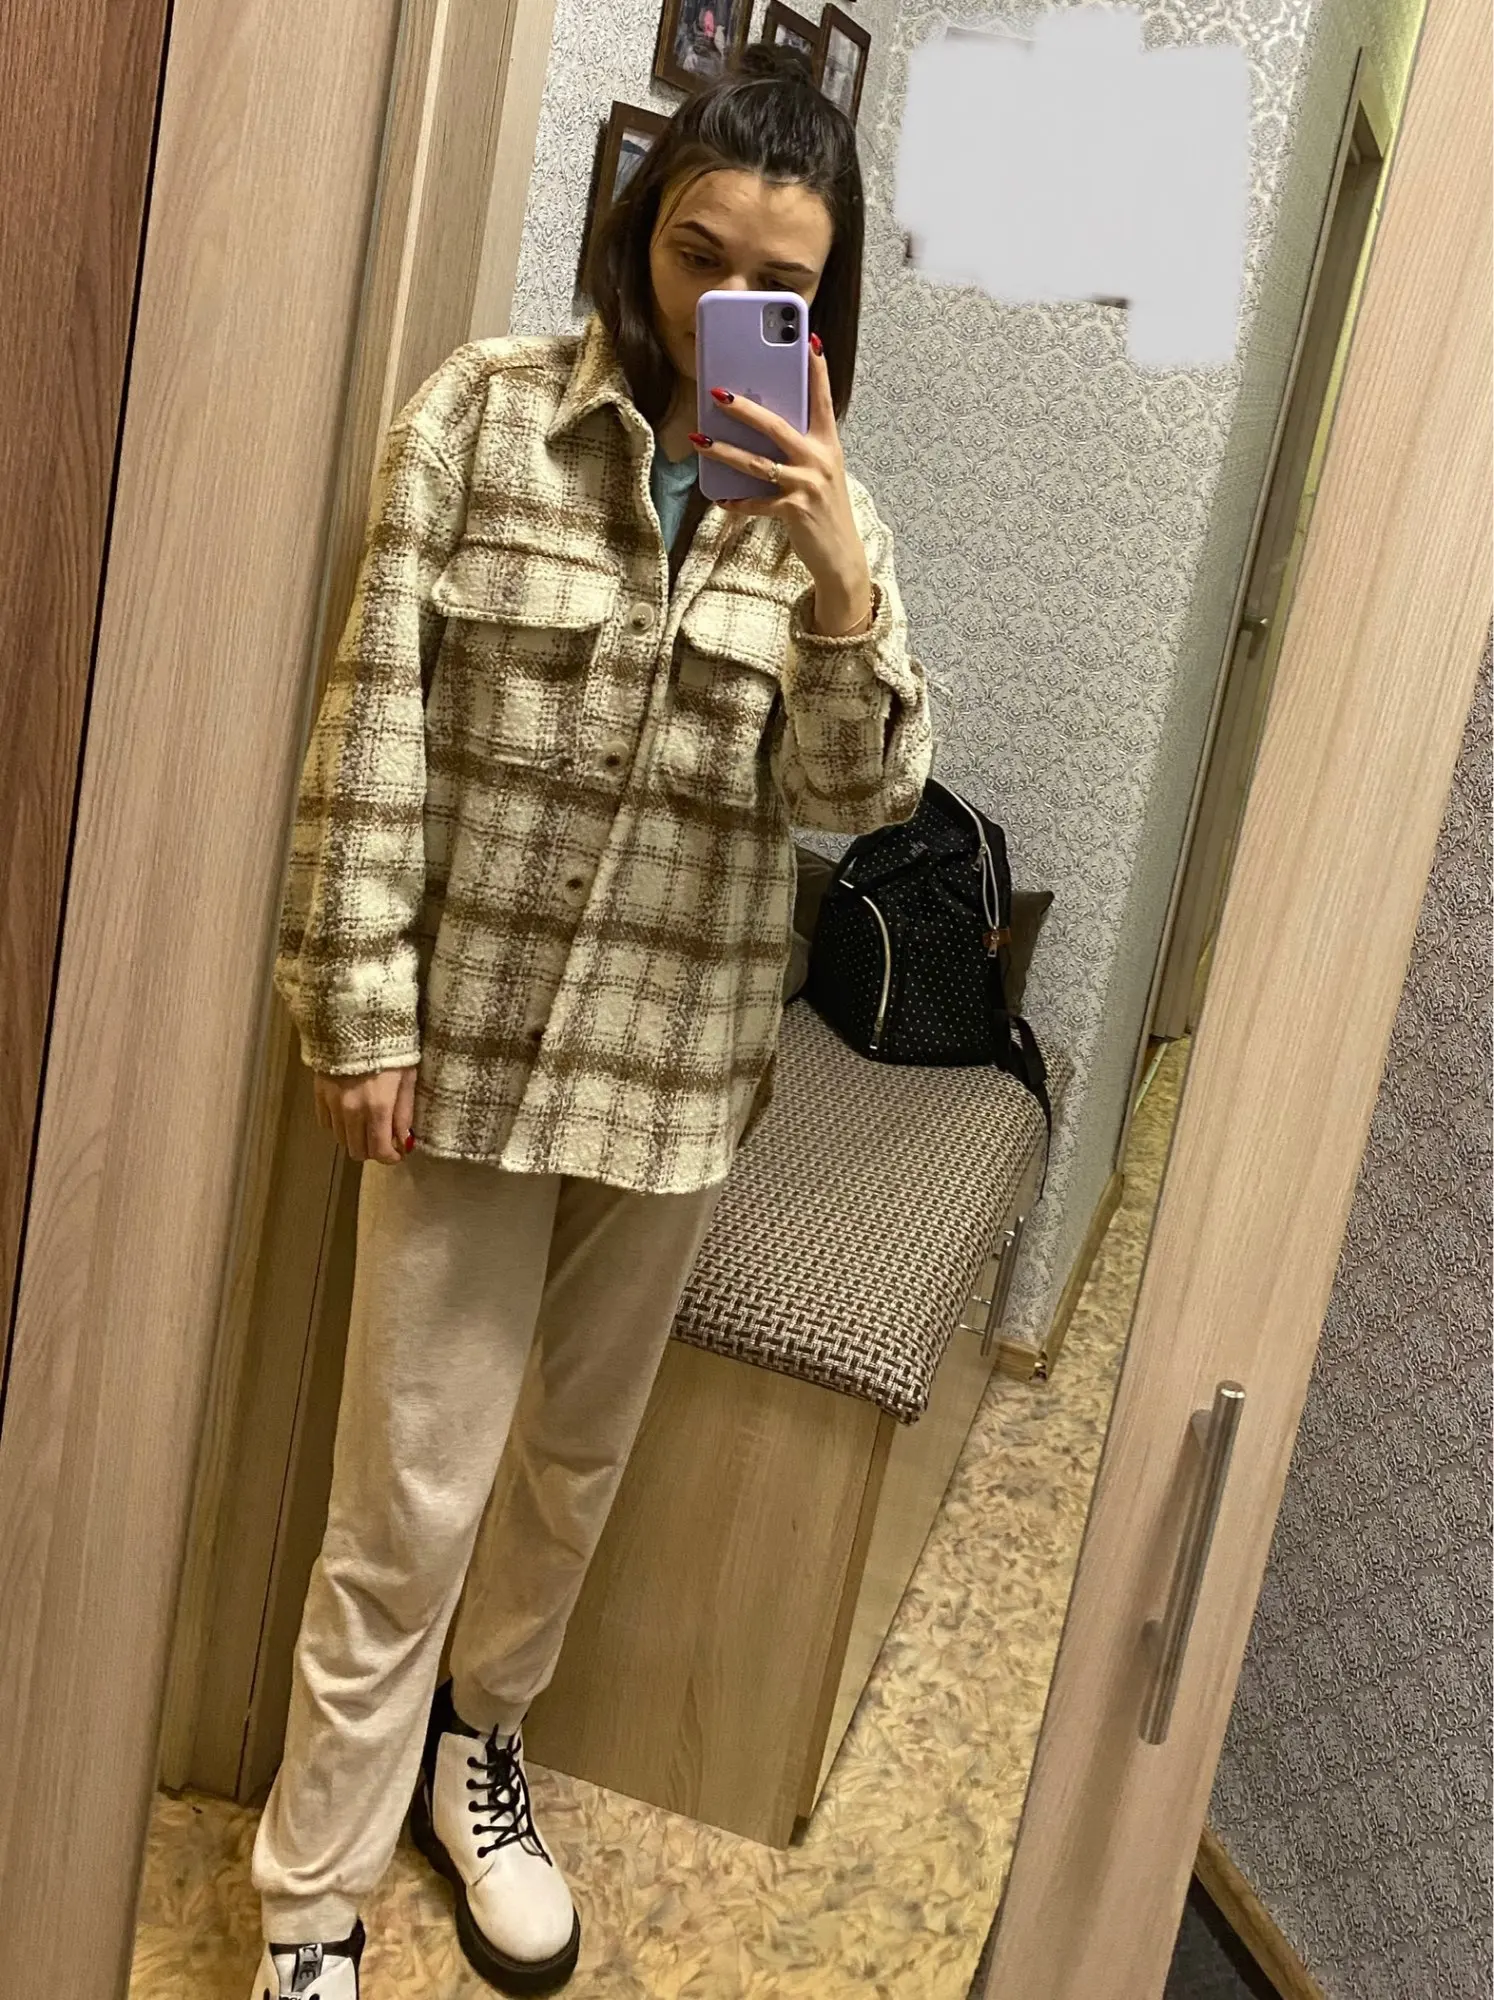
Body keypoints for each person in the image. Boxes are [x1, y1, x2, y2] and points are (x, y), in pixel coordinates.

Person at [249, 42, 931, 2000]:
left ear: (822, 306)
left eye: (773, 283)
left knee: (570, 1468)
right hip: (463, 1058)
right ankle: (308, 1903)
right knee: (406, 1496)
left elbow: (853, 796)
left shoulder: (829, 520)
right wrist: (354, 1005)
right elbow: (373, 720)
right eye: (693, 251)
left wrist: (834, 574)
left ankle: (480, 1755)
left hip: (674, 1081)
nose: (718, 304)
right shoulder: (481, 418)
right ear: (639, 229)